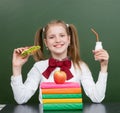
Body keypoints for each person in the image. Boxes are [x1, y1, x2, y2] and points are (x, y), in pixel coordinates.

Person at [11, 20, 109, 104]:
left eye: (62, 35)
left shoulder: (81, 67)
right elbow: (21, 99)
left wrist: (104, 67)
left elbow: (97, 98)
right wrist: (16, 67)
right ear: (46, 42)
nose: (57, 40)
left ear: (69, 39)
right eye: (51, 37)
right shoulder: (39, 67)